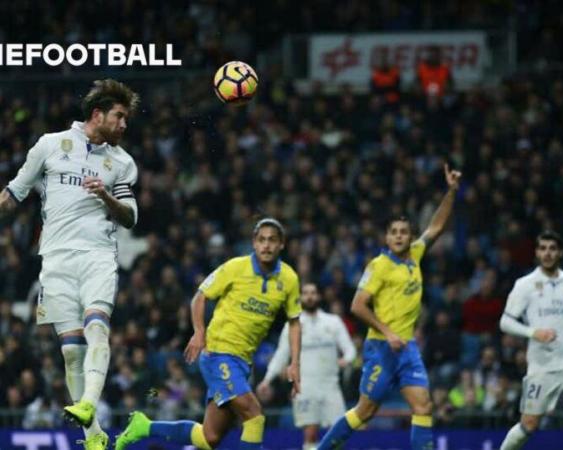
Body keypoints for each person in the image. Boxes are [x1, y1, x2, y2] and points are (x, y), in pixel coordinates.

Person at [0, 79, 140, 450]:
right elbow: (14, 192)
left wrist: (106, 195)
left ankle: (89, 403)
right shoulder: (50, 145)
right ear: (98, 114)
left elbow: (130, 218)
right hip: (55, 259)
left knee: (97, 327)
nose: (125, 125)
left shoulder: (123, 162)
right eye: (120, 116)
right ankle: (94, 438)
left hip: (98, 255)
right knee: (71, 351)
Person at [115, 218, 301, 450]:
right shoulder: (235, 267)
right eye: (261, 240)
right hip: (218, 354)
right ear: (254, 243)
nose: (266, 245)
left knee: (209, 437)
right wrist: (199, 332)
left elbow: (295, 322)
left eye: (272, 240)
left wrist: (294, 362)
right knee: (254, 416)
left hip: (243, 362)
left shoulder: (289, 279)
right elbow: (200, 296)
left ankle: (144, 427)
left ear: (281, 244)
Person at [317, 164, 462, 450]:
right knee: (365, 411)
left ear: (410, 236)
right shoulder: (378, 266)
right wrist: (388, 332)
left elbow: (436, 226)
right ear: (386, 237)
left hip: (407, 349)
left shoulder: (416, 255)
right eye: (393, 232)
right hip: (381, 348)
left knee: (423, 406)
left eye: (404, 232)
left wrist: (452, 190)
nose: (398, 236)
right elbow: (357, 306)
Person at [499, 231, 563, 450]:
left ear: (560, 252)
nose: (547, 253)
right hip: (542, 363)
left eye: (552, 248)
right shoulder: (525, 284)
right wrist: (532, 332)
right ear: (536, 253)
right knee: (529, 424)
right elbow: (505, 322)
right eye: (543, 248)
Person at [257, 282, 356, 450]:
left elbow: (350, 349)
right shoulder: (292, 325)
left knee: (338, 433)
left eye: (313, 292)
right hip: (304, 387)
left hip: (330, 386)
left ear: (319, 296)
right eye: (305, 293)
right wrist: (267, 380)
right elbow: (281, 354)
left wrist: (346, 359)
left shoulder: (333, 322)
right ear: (300, 297)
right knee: (310, 433)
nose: (309, 296)